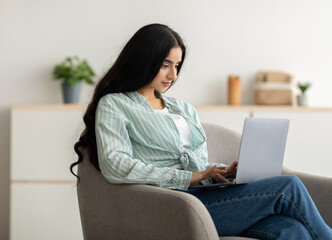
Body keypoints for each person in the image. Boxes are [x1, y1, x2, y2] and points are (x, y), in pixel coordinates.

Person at [71, 23, 332, 239]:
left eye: (177, 66)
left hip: (208, 196)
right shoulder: (115, 104)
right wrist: (189, 178)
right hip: (176, 203)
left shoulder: (183, 109)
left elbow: (198, 166)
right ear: (143, 59)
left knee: (291, 229)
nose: (173, 74)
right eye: (165, 64)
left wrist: (221, 172)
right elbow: (116, 165)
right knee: (288, 185)